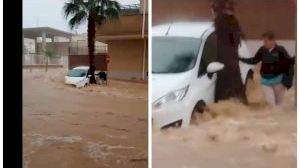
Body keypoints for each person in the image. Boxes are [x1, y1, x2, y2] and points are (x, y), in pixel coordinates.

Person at [239, 31, 294, 106]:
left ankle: (277, 116)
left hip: (278, 81)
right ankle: (271, 114)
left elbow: (289, 62)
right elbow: (254, 60)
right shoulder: (262, 50)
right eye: (263, 41)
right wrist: (241, 59)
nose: (264, 43)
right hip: (265, 81)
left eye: (266, 41)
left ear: (273, 41)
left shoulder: (280, 50)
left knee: (279, 104)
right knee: (271, 103)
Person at [212, 0, 248, 104]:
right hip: (231, 60)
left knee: (226, 89)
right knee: (237, 89)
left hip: (225, 62)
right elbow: (235, 38)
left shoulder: (222, 20)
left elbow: (226, 38)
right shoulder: (231, 21)